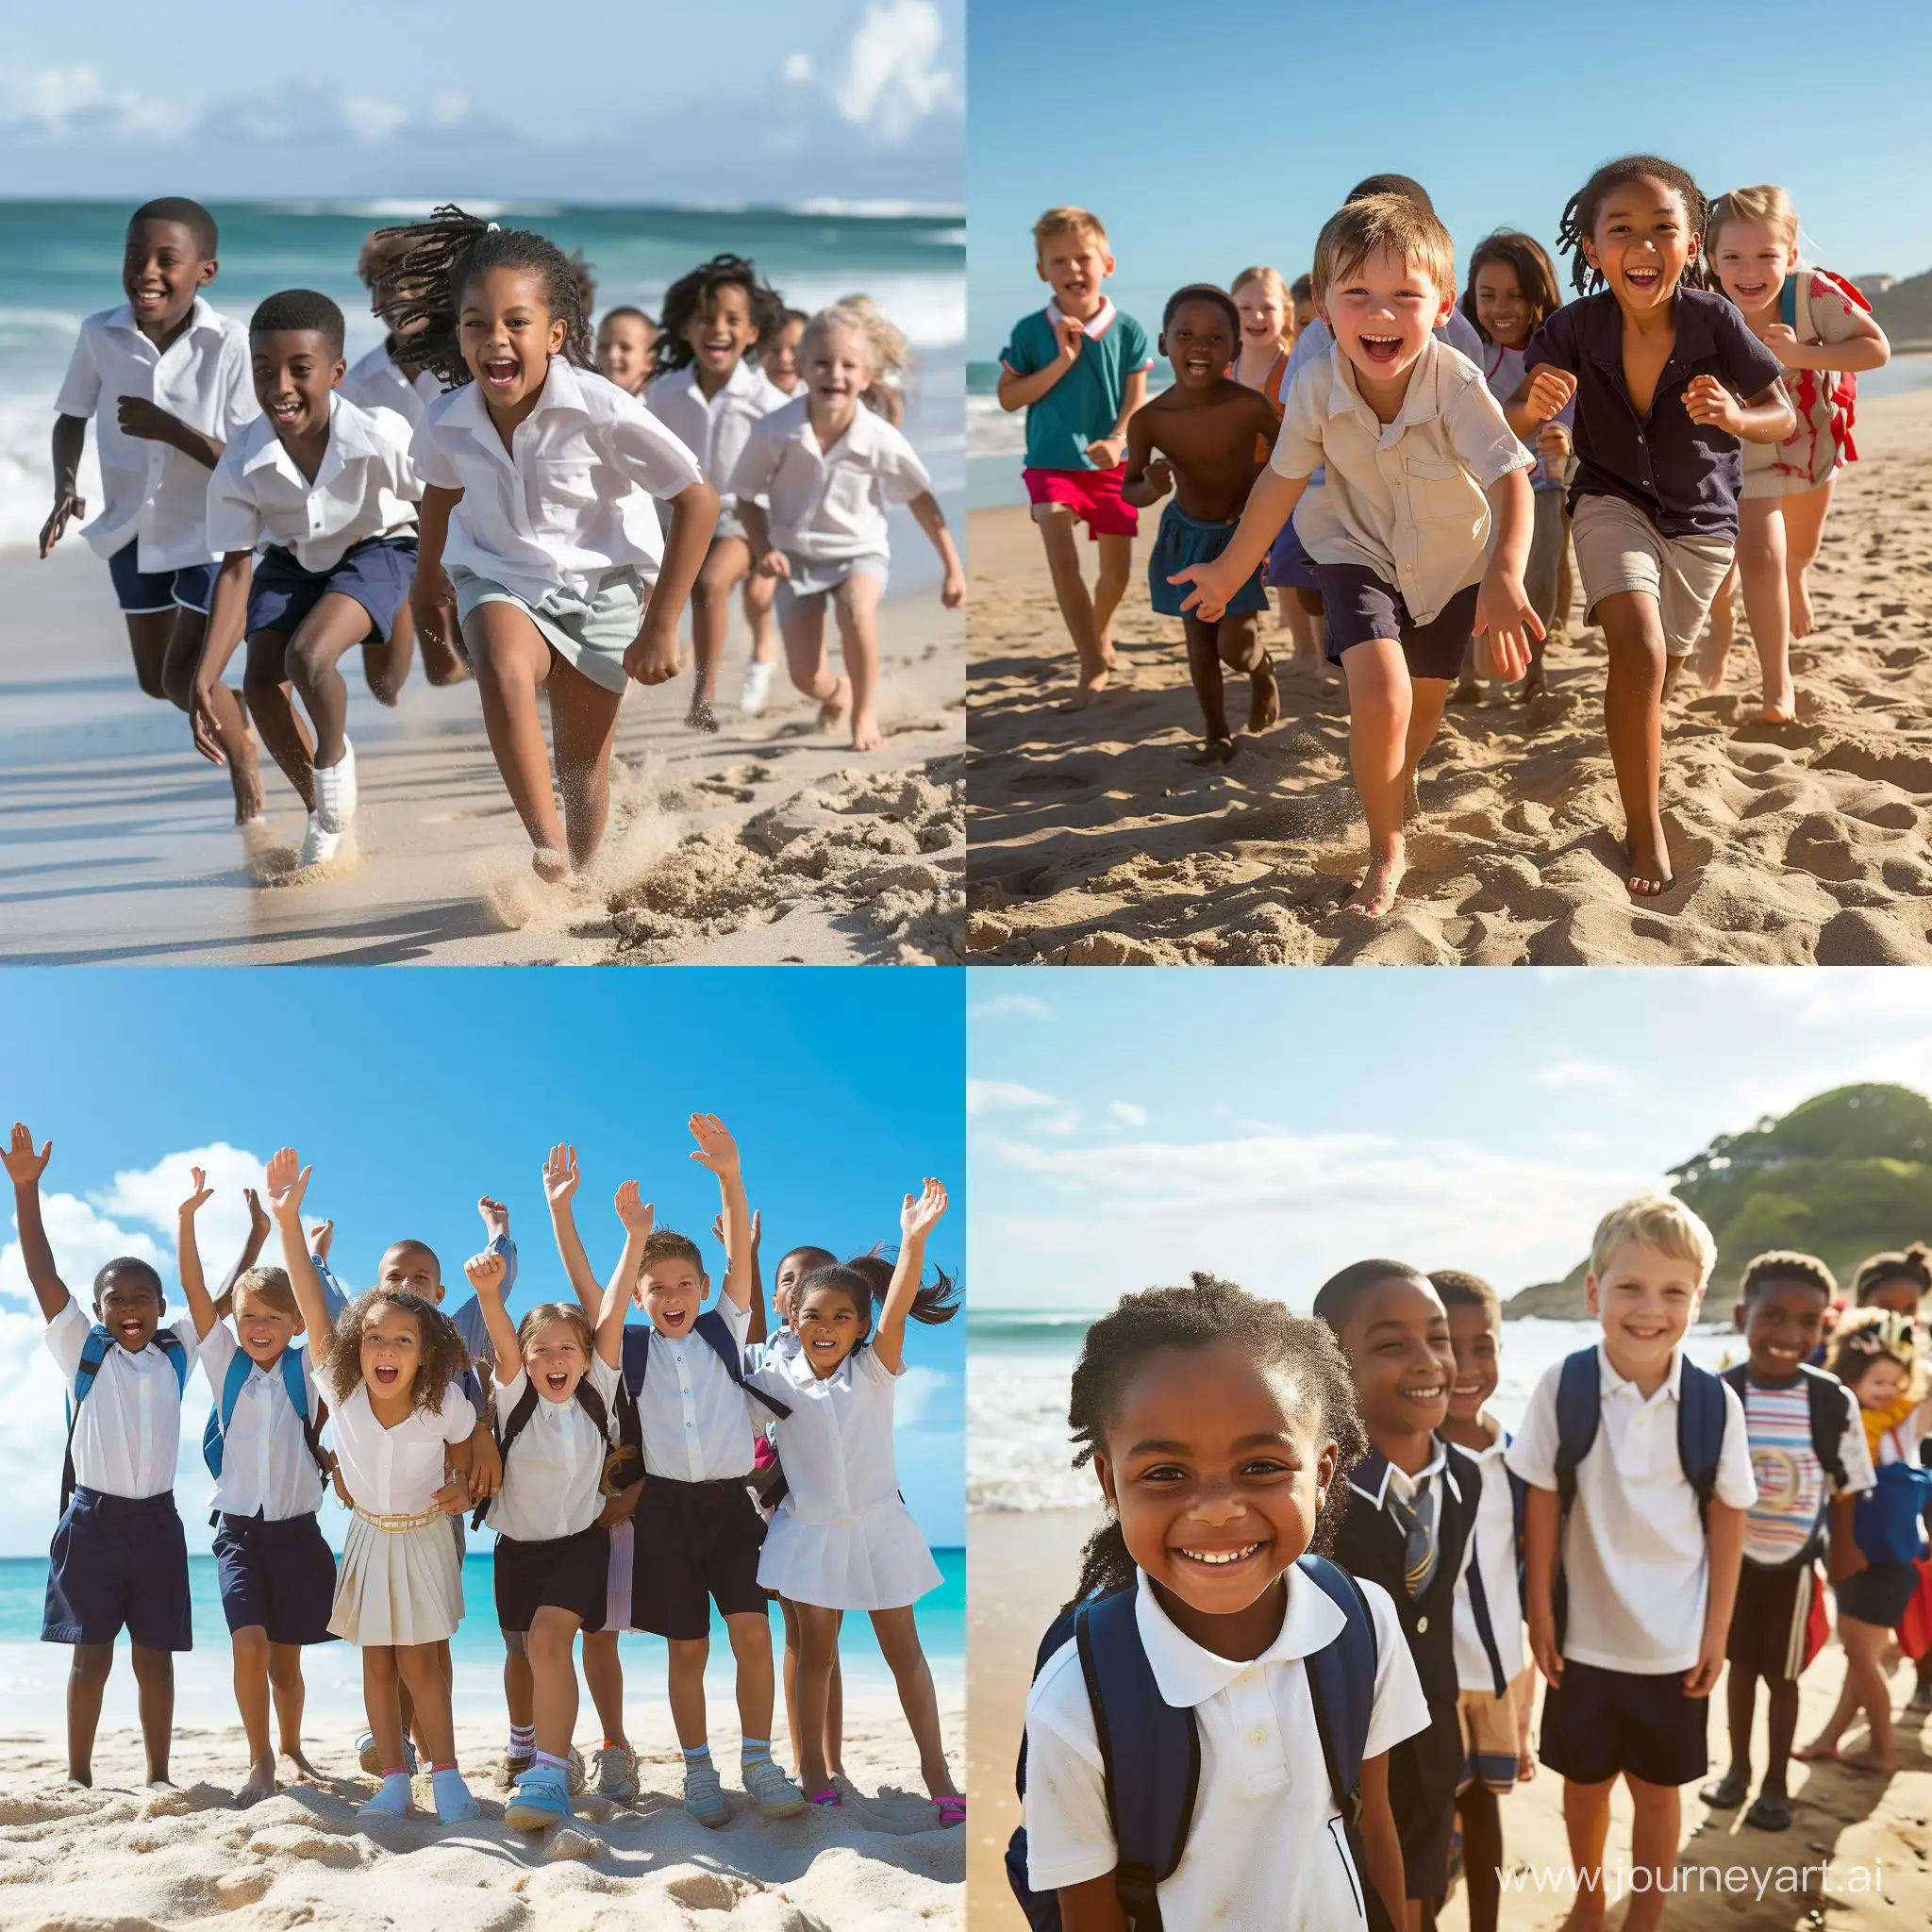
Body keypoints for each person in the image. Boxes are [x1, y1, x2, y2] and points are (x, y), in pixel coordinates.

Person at [1172, 194, 1540, 919]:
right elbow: (1279, 482)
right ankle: (1386, 852)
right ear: (1322, 309)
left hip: (1450, 563)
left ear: (1442, 306)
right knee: (1384, 695)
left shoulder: (1457, 383)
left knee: (1423, 709)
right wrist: (1229, 569)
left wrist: (1503, 574)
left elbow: (1509, 477)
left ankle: (1392, 784)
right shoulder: (1314, 386)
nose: (1380, 313)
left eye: (1405, 295)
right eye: (1356, 294)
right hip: (1353, 549)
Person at [1021, 1274, 1426, 1929]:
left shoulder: (1363, 1620)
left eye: (1262, 1466)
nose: (1214, 1509)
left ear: (1322, 1472)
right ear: (1109, 1480)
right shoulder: (1074, 1699)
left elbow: (1371, 1821)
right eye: (1165, 1474)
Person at [382, 208, 718, 880]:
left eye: (516, 322)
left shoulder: (601, 409)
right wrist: (427, 583)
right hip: (499, 575)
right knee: (503, 668)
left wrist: (661, 625)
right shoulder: (445, 421)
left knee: (583, 771)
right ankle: (549, 850)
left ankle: (586, 876)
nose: (495, 340)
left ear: (556, 334)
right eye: (477, 323)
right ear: (459, 333)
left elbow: (696, 498)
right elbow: (440, 495)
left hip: (603, 591)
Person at [1505, 156, 1794, 896]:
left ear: (1691, 243)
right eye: (1621, 230)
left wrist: (1734, 415)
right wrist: (1532, 408)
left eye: (1662, 228)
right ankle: (1646, 828)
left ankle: (1639, 751)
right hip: (1609, 501)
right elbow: (1508, 419)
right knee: (1636, 649)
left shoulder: (1715, 320)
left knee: (1654, 664)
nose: (1642, 245)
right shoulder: (1572, 327)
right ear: (1594, 250)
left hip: (1703, 522)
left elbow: (1781, 413)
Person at [1507, 1196, 1756, 1932]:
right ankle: (1588, 1900)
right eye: (1630, 1288)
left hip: (1675, 1645)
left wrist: (1717, 1636)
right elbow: (1543, 1499)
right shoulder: (1564, 1385)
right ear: (1594, 1292)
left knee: (1658, 1790)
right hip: (1582, 1639)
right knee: (1583, 1786)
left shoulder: (1714, 1404)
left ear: (1698, 1299)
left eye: (1674, 1292)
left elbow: (1728, 1519)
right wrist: (1541, 1612)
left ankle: (1644, 1913)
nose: (1651, 1310)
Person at [548, 1115, 806, 1827]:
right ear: (637, 1297)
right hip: (662, 1512)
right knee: (687, 1650)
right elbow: (583, 1282)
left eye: (683, 1282)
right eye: (654, 1286)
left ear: (700, 1286)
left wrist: (730, 1174)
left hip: (730, 1510)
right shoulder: (629, 1349)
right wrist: (561, 1211)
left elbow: (740, 1262)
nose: (671, 1295)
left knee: (754, 1635)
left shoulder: (725, 1326)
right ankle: (699, 1770)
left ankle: (759, 1759)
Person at [266, 1145, 481, 1822]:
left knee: (422, 1664)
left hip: (422, 1539)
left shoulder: (443, 1399)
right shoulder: (341, 1384)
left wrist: (465, 1488)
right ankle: (393, 1777)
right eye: (375, 1338)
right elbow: (308, 1297)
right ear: (355, 1345)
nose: (387, 1351)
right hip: (366, 1538)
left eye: (404, 1341)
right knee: (378, 1667)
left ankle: (446, 1777)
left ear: (428, 1352)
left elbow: (474, 1444)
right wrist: (288, 1223)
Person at [6, 1126, 222, 1789]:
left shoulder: (176, 1353)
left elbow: (221, 1291)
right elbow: (43, 1274)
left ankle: (158, 1774)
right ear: (98, 1310)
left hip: (158, 1525)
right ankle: (77, 1775)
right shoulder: (82, 1350)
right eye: (115, 1298)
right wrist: (26, 1187)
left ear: (161, 1309)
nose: (128, 1306)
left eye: (141, 1298)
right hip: (92, 1523)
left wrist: (243, 1234)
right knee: (89, 1657)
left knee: (155, 1661)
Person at [41, 198, 264, 831]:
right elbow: (70, 416)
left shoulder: (230, 345)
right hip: (131, 527)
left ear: (206, 273)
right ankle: (237, 706)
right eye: (135, 256)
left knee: (181, 677)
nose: (147, 271)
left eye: (168, 259)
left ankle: (244, 761)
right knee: (154, 682)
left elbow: (245, 460)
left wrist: (170, 429)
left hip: (210, 534)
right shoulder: (99, 334)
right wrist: (65, 485)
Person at [746, 1184, 963, 1821]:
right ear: (794, 1319)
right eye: (813, 1316)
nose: (826, 1328)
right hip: (807, 1531)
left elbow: (896, 1312)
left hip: (879, 1528)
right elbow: (739, 1350)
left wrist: (916, 1238)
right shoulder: (773, 1377)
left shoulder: (874, 1369)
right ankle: (815, 1773)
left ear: (861, 1328)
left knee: (907, 1656)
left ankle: (939, 1775)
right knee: (814, 1656)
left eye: (843, 1318)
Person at [195, 291, 423, 869]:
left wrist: (446, 579)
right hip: (295, 557)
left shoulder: (380, 436)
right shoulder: (241, 460)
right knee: (263, 680)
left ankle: (332, 764)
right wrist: (205, 674)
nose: (281, 386)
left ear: (337, 373)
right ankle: (324, 813)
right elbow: (237, 567)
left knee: (310, 656)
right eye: (265, 370)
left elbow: (444, 500)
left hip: (382, 544)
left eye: (301, 369)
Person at [463, 1178, 648, 1829]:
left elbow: (618, 1301)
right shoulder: (516, 1396)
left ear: (587, 1356)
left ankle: (548, 1775)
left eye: (567, 1348)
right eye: (540, 1350)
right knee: (522, 1653)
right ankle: (529, 1744)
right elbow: (502, 1341)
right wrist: (489, 1294)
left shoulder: (600, 1382)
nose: (552, 1358)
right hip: (516, 1548)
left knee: (549, 1641)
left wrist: (629, 1237)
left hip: (579, 1544)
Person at [1317, 1261, 1488, 1932]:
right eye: (1390, 1345)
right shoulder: (1314, 1500)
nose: (1428, 1362)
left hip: (1433, 1734)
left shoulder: (1466, 1480)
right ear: (1333, 1367)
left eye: (1438, 1338)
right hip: (1343, 1761)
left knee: (1422, 1891)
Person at [733, 303, 965, 753]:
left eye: (847, 365)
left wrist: (952, 568)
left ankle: (864, 712)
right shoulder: (775, 430)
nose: (833, 374)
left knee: (857, 609)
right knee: (806, 677)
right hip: (794, 558)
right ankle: (840, 694)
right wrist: (764, 549)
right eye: (821, 362)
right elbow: (745, 494)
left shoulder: (877, 437)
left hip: (859, 552)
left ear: (865, 378)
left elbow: (920, 498)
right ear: (801, 368)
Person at [1698, 187, 1890, 720]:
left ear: (1792, 256)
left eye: (1766, 256)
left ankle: (1798, 577)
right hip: (1743, 454)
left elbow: (1876, 348)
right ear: (1711, 259)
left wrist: (1801, 353)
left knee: (1798, 550)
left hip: (1811, 445)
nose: (1749, 270)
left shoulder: (1812, 296)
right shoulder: (1702, 307)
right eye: (1732, 257)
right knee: (1758, 558)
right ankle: (1773, 684)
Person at [1700, 1252, 1872, 1831]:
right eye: (1773, 1317)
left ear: (1825, 1326)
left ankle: (1776, 1781)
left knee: (1785, 1676)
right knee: (1740, 1668)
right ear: (1743, 1314)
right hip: (1733, 1564)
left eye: (1808, 1322)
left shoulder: (1830, 1400)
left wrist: (1844, 1550)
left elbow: (1847, 1484)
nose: (1789, 1335)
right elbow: (1700, 1485)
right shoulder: (1720, 1394)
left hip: (1796, 1563)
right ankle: (1739, 1771)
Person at [193, 1228, 344, 1807]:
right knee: (249, 1644)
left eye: (274, 1316)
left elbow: (332, 1319)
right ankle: (259, 1759)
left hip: (299, 1536)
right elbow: (194, 1291)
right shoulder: (225, 1366)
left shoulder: (307, 1370)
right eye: (248, 1316)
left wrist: (314, 1259)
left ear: (296, 1323)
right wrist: (191, 1223)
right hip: (238, 1536)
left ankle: (290, 1746)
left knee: (287, 1660)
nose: (259, 1326)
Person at [996, 208, 1153, 707]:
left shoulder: (1128, 330)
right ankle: (1091, 663)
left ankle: (1098, 632)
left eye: (1083, 257)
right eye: (1058, 260)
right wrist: (1062, 360)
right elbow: (1008, 396)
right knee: (1062, 556)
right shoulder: (1029, 332)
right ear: (1043, 270)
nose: (1072, 269)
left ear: (1107, 262)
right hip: (1049, 462)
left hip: (1110, 465)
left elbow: (1136, 400)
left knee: (1117, 574)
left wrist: (1118, 439)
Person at [1120, 285, 1280, 762]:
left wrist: (1258, 495)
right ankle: (1216, 735)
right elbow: (1130, 489)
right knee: (1200, 643)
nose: (1199, 347)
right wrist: (1150, 487)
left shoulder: (1249, 406)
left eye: (1215, 338)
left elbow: (1290, 456)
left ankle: (1260, 670)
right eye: (1186, 334)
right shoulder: (1150, 419)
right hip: (1185, 534)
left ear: (1235, 348)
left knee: (1235, 644)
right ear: (1164, 342)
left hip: (1239, 537)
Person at [645, 256, 790, 731]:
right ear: (685, 327)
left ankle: (703, 700)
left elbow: (792, 470)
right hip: (672, 517)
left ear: (752, 333)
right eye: (706, 318)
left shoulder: (768, 402)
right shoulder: (664, 393)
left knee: (709, 586)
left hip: (740, 519)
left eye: (732, 320)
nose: (717, 329)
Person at [1429, 1269, 1531, 1932]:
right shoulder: (1402, 1460)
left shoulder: (1516, 1458)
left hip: (1497, 1674)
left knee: (1488, 1810)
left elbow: (1519, 1576)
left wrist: (1526, 1694)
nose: (1465, 1368)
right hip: (1428, 1681)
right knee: (1430, 1817)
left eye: (1483, 1347)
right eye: (1446, 1346)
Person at [1794, 1309, 1932, 1774]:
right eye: (1877, 1381)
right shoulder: (1841, 1425)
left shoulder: (1903, 1426)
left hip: (1888, 1563)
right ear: (1850, 1377)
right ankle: (1831, 1738)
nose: (1888, 1391)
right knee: (1860, 1656)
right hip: (1849, 1557)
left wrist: (1909, 1337)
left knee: (1859, 1655)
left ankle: (1883, 1749)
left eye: (1897, 1381)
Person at [1455, 233, 1574, 705]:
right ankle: (1465, 671)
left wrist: (1562, 436)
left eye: (1515, 295)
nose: (1500, 308)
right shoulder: (1465, 347)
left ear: (1538, 296)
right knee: (1468, 575)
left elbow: (1569, 408)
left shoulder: (1555, 349)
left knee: (1537, 577)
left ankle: (1535, 669)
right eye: (1488, 295)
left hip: (1540, 482)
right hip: (1471, 487)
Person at [593, 308, 658, 396]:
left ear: (650, 360)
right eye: (604, 347)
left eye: (625, 348)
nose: (612, 355)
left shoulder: (659, 406)